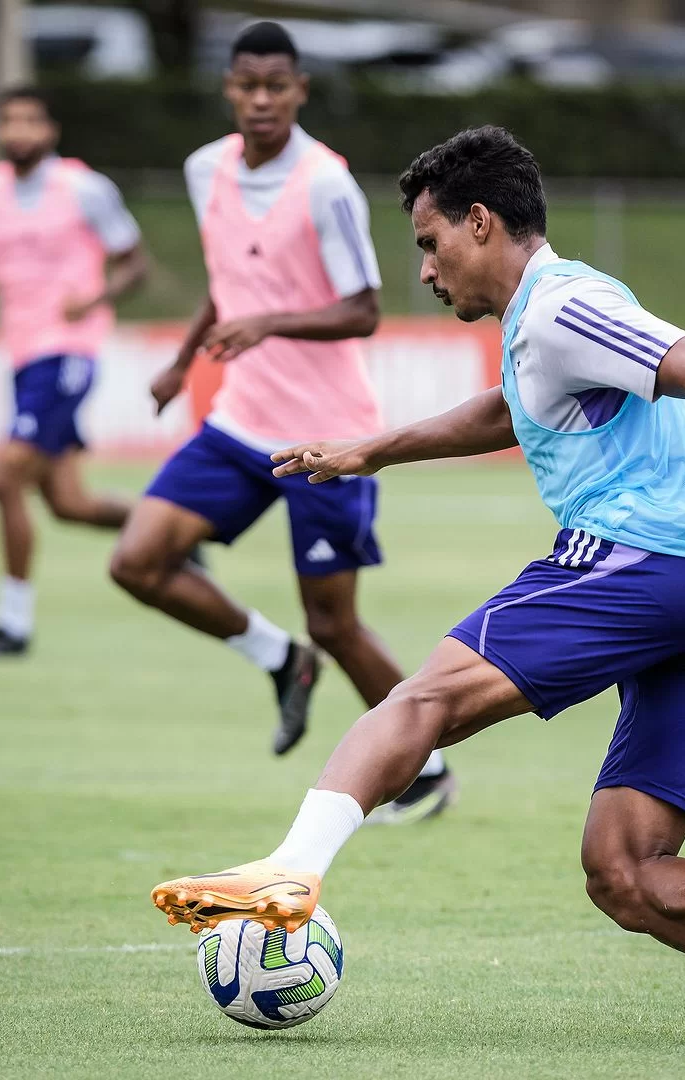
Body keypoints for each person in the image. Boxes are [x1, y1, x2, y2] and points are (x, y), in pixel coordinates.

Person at [151, 126, 685, 1047]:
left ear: (481, 223)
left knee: (423, 697)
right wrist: (374, 450)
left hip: (648, 561)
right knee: (624, 870)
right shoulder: (539, 328)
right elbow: (507, 408)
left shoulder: (565, 303)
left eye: (430, 245)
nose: (427, 272)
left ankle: (291, 870)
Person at [108, 22, 454, 818]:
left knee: (335, 623)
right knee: (137, 561)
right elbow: (229, 280)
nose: (260, 99)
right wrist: (183, 359)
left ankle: (426, 769)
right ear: (229, 89)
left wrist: (268, 324)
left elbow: (363, 310)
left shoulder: (325, 183)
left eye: (277, 86)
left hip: (326, 437)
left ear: (299, 91)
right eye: (246, 85)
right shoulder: (206, 170)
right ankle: (276, 659)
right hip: (239, 420)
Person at [0, 86, 148, 657]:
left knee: (4, 480)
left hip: (69, 353)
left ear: (49, 130)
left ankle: (12, 623)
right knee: (69, 503)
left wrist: (96, 296)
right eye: (9, 122)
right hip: (23, 356)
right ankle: (168, 529)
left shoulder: (84, 188)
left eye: (30, 120)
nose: (19, 131)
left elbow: (134, 264)